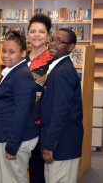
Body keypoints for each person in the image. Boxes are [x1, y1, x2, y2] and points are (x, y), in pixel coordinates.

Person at [0, 30, 38, 183]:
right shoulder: (12, 71)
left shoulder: (22, 75)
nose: (6, 55)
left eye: (11, 52)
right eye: (4, 51)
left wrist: (12, 145)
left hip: (15, 139)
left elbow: (22, 113)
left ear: (23, 53)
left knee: (14, 179)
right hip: (6, 136)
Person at [40, 28, 83, 183]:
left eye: (59, 41)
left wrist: (49, 144)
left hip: (62, 143)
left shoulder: (63, 72)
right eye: (52, 39)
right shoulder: (57, 67)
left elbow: (60, 112)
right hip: (60, 141)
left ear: (70, 47)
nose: (53, 44)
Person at [26, 13, 53, 183]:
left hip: (41, 120)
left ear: (48, 36)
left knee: (38, 167)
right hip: (22, 118)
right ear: (27, 34)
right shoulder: (21, 56)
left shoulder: (53, 59)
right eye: (33, 31)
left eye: (41, 32)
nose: (37, 35)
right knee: (22, 164)